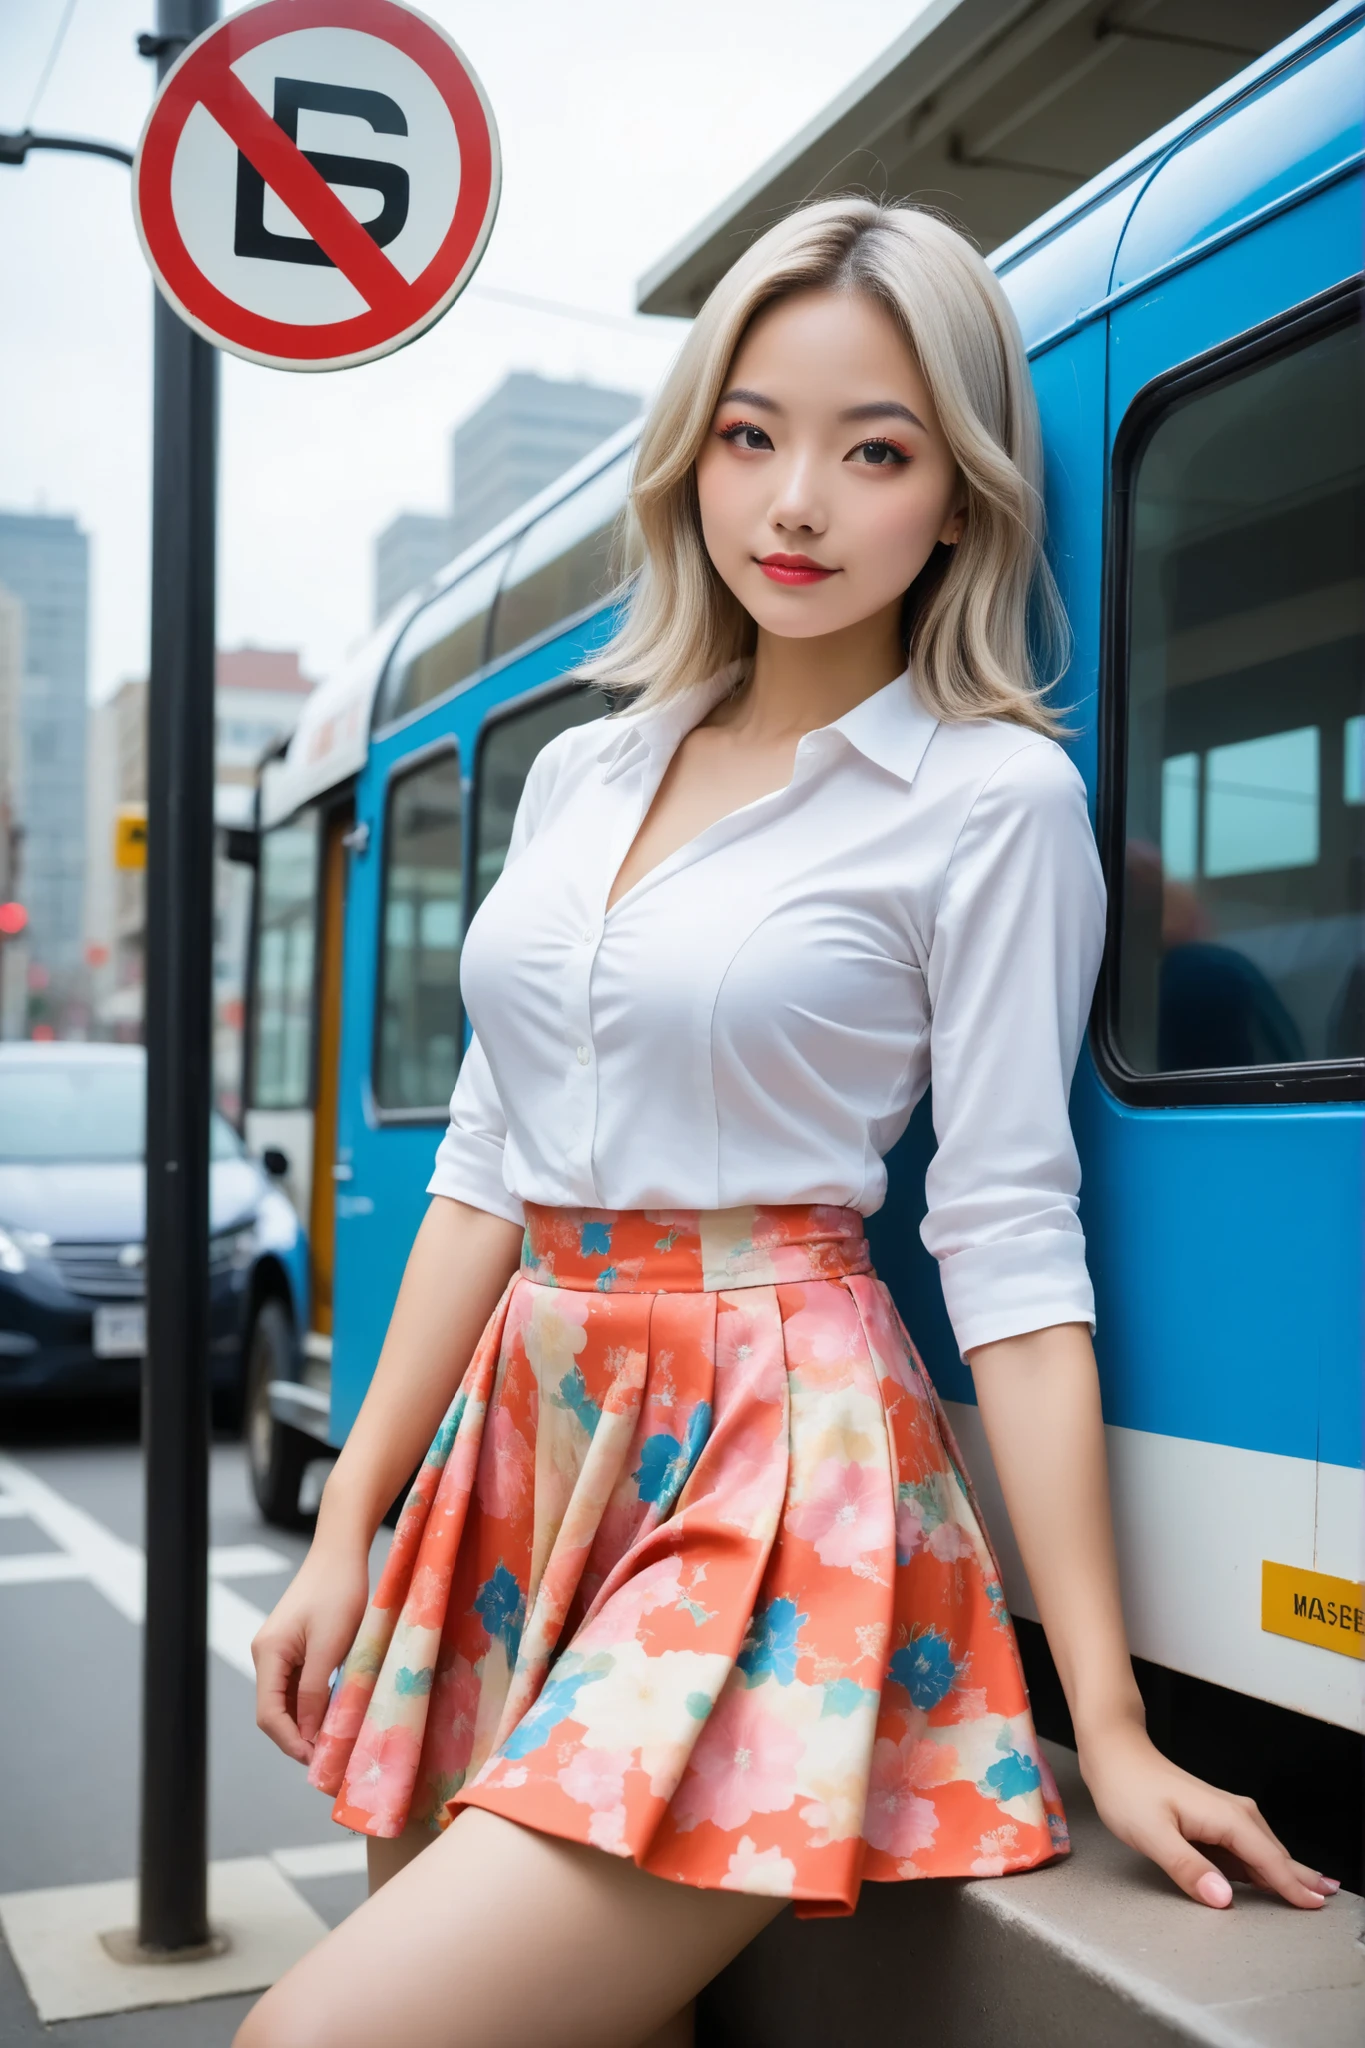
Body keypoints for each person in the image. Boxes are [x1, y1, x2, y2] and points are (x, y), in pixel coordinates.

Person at [234, 199, 1336, 2048]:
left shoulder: (987, 800)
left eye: (875, 448)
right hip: (525, 1433)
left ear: (961, 495)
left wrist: (1114, 1719)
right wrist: (350, 1520)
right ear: (694, 458)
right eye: (752, 434)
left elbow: (1009, 1240)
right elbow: (486, 1172)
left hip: (774, 1453)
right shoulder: (588, 764)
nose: (797, 503)